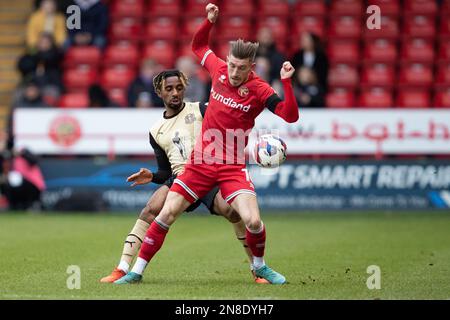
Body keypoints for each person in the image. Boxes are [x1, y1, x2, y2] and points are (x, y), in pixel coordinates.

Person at [116, 3, 299, 285]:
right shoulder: (219, 69)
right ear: (228, 60)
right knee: (166, 213)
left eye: (241, 67)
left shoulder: (260, 90)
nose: (235, 72)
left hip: (232, 166)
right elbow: (199, 45)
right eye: (233, 65)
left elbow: (289, 115)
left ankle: (260, 267)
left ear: (252, 66)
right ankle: (136, 271)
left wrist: (286, 83)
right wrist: (209, 21)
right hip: (200, 162)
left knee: (252, 221)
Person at [100, 70, 268, 284]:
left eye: (179, 88)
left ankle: (257, 269)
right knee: (150, 210)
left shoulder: (200, 109)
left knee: (232, 211)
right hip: (181, 178)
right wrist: (152, 175)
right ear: (159, 92)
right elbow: (166, 172)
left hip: (207, 173)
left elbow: (229, 120)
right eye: (169, 89)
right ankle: (122, 268)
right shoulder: (156, 131)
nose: (175, 93)